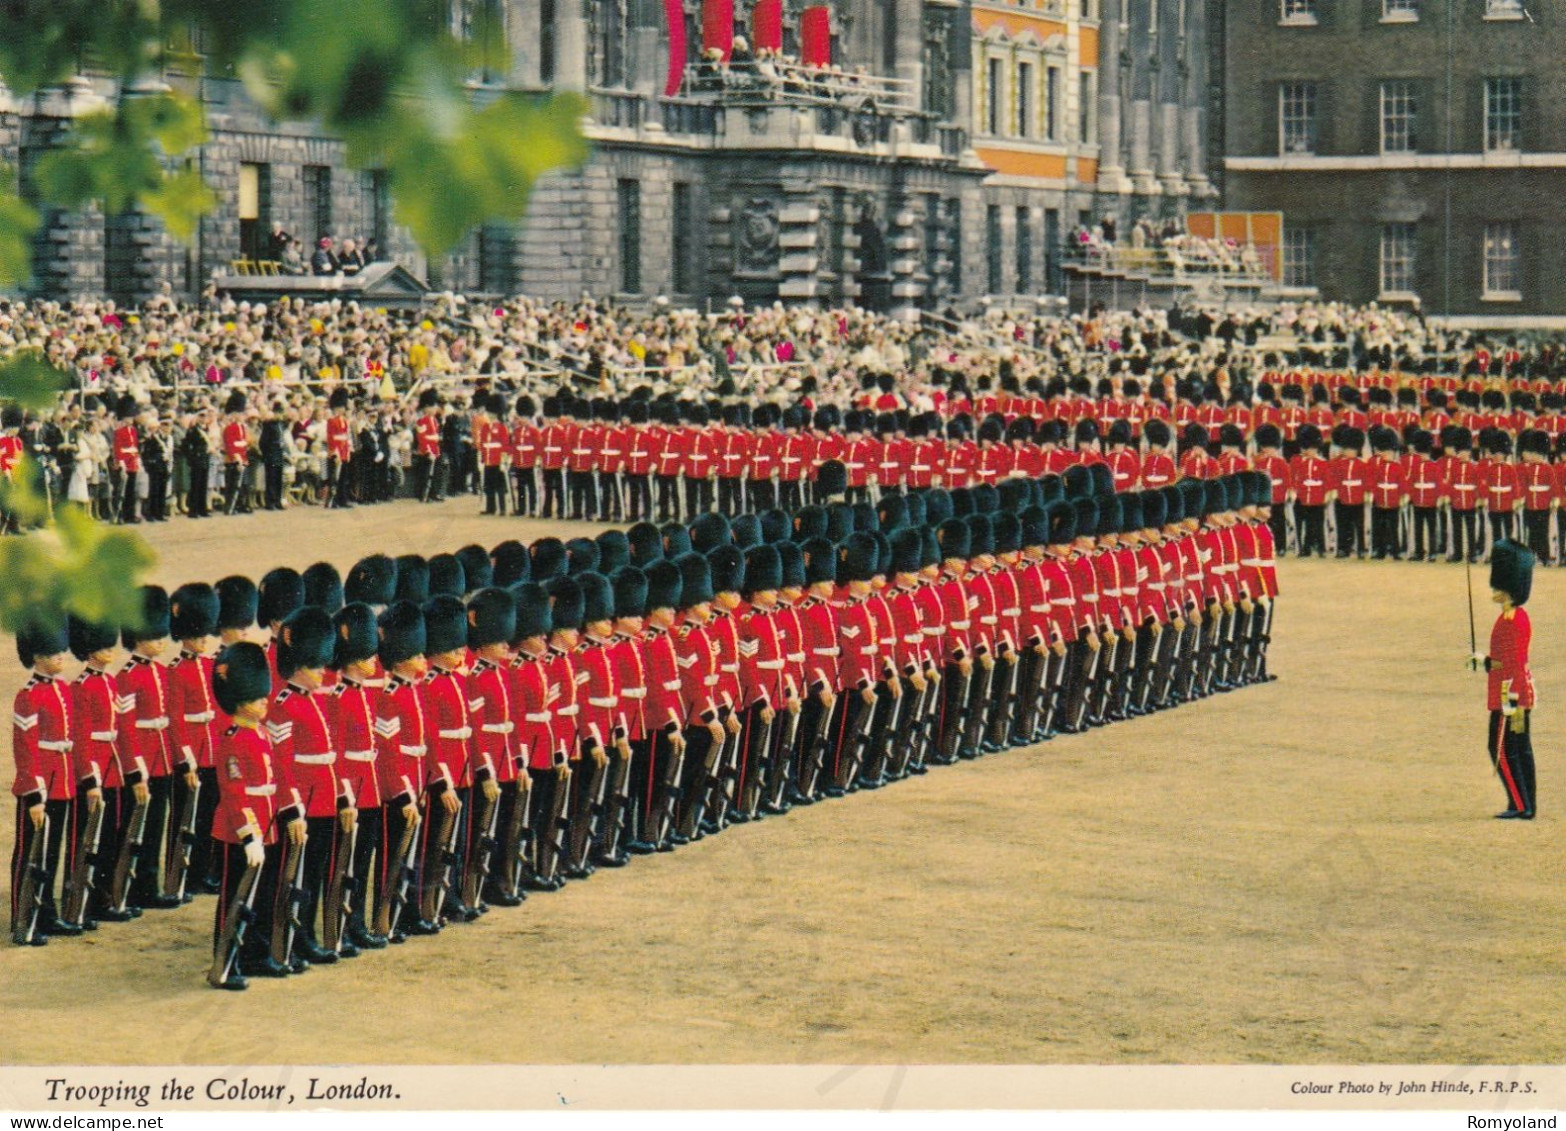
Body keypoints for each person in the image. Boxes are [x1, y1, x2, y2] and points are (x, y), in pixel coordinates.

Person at [10, 619, 78, 945]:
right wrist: (35, 794)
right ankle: (23, 918)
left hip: (61, 779)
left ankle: (46, 913)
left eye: (61, 651)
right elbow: (26, 747)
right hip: (40, 783)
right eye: (53, 653)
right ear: (37, 657)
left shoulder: (62, 689)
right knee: (30, 853)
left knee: (51, 853)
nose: (60, 658)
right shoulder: (28, 696)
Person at [1470, 540, 1537, 819]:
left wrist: (1513, 703)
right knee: (1519, 750)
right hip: (1513, 689)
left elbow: (1514, 664)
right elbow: (1504, 660)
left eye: (1498, 588)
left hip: (1509, 694)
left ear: (1508, 592)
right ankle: (1525, 803)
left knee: (1501, 749)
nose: (1494, 591)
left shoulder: (1513, 621)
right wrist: (1484, 660)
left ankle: (1519, 804)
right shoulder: (1513, 616)